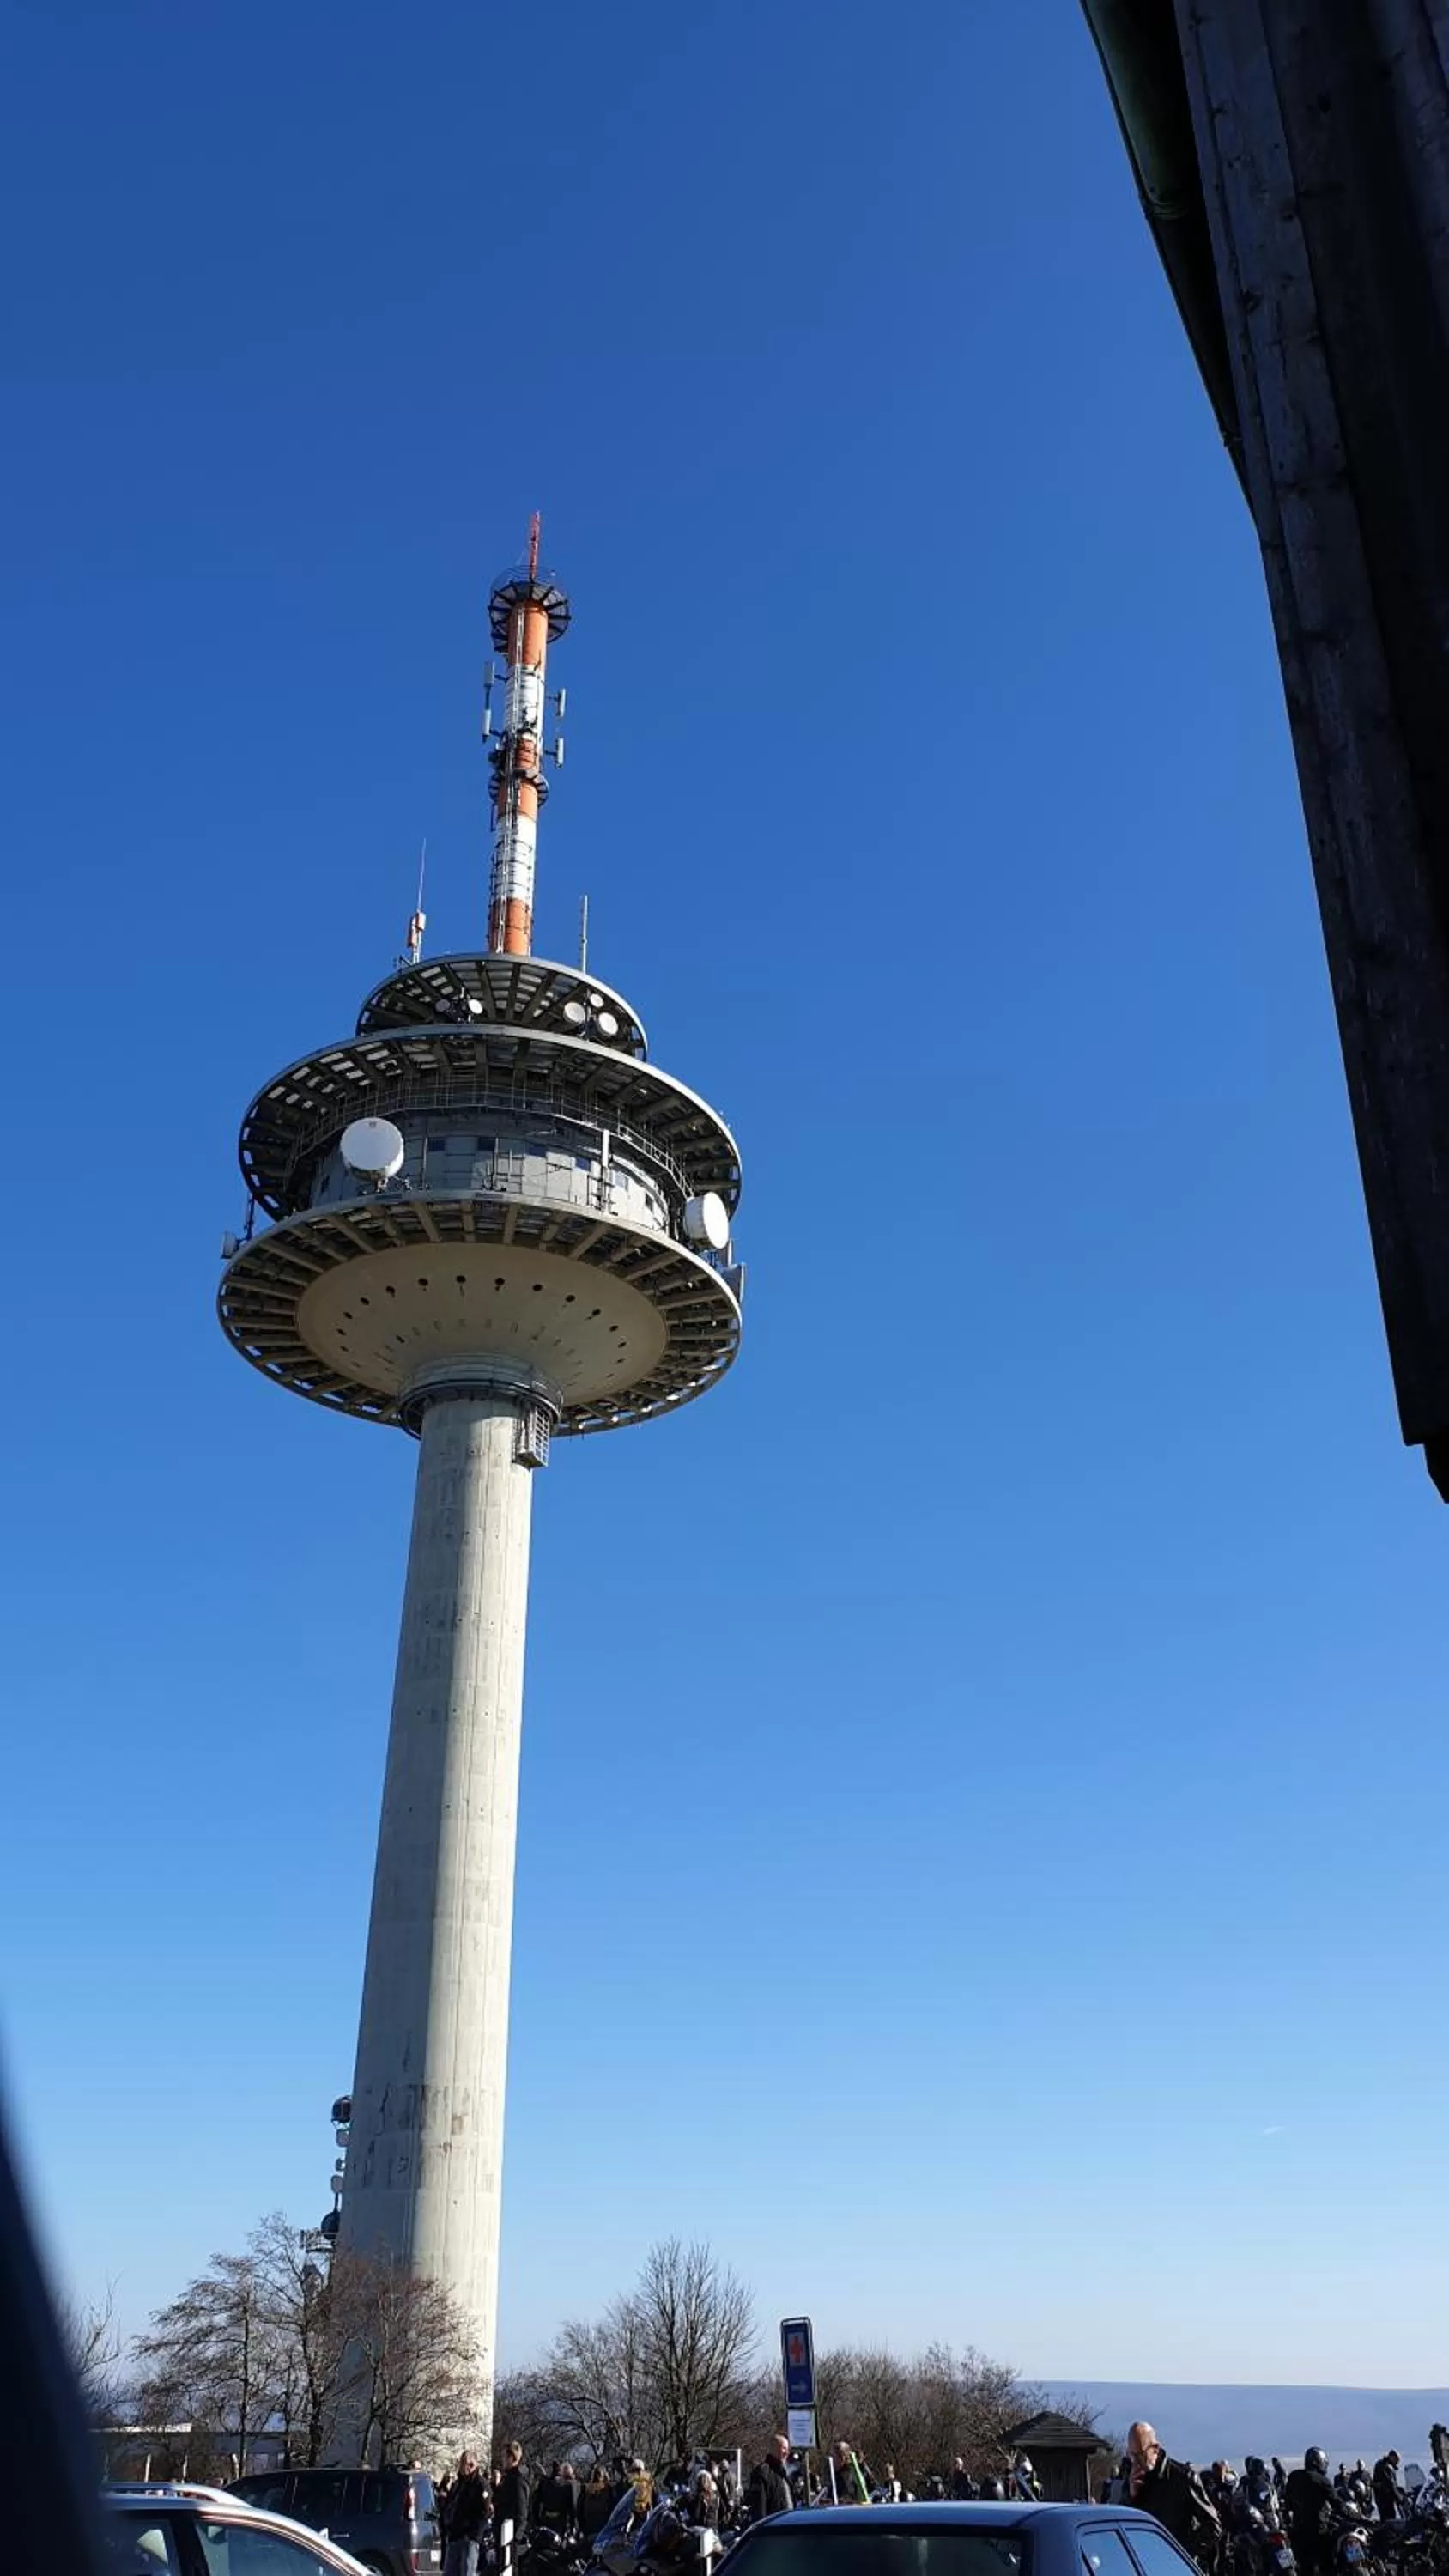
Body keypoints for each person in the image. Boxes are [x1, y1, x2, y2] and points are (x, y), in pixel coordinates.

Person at [1125, 2422, 1222, 2572]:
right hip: (1143, 2566)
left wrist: (1178, 2551)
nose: (1136, 2462)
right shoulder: (1133, 2479)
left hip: (1178, 2567)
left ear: (1155, 2449)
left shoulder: (1183, 2478)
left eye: (1140, 2455)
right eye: (1132, 2456)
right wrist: (1131, 2496)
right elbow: (1122, 2523)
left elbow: (1213, 2527)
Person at [1284, 2450, 1343, 2576]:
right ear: (1318, 2461)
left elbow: (1287, 2503)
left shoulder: (1294, 2477)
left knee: (1304, 2568)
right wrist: (1358, 2516)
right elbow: (1338, 2505)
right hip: (1318, 2532)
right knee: (1331, 2564)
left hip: (1298, 2532)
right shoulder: (1322, 2480)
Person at [441, 2451, 489, 2576]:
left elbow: (485, 2513)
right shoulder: (459, 2484)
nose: (465, 2467)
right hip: (455, 2535)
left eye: (469, 2464)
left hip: (469, 2538)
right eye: (463, 2463)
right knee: (449, 2572)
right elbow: (451, 2505)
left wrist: (473, 2534)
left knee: (467, 2571)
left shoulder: (480, 2485)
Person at [495, 2442, 530, 2568]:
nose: (502, 2460)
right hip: (502, 2533)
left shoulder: (517, 2481)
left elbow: (522, 2511)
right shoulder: (508, 2478)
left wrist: (515, 2538)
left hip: (509, 2536)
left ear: (512, 2458)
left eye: (505, 2456)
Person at [746, 2434, 794, 2522]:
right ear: (773, 2448)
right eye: (783, 2448)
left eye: (787, 2449)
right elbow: (759, 2508)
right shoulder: (762, 2472)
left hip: (788, 2525)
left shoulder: (785, 2474)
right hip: (773, 2528)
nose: (786, 2452)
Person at [829, 2440, 871, 2506]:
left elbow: (872, 2491)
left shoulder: (860, 2471)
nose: (833, 2462)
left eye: (835, 2458)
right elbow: (831, 2495)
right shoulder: (835, 2476)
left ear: (844, 2457)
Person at [580, 2464, 615, 2542]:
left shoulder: (609, 2489)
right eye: (597, 2474)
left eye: (599, 2474)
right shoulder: (587, 2489)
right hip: (591, 2525)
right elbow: (581, 2508)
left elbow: (612, 2507)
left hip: (603, 2524)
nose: (598, 2476)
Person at [1373, 2454, 1406, 2524]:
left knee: (1384, 2519)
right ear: (1392, 2457)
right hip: (1386, 2499)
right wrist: (1400, 2498)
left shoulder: (1380, 2464)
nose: (1396, 2463)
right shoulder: (1387, 2467)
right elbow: (1391, 2484)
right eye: (1396, 2460)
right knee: (1390, 2520)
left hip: (1380, 2498)